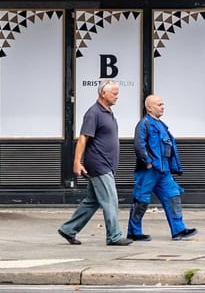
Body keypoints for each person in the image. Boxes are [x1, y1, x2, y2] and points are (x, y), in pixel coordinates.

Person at [58, 80, 129, 247]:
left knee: (92, 201)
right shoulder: (94, 113)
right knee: (111, 200)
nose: (117, 96)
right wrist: (77, 162)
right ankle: (114, 236)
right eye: (114, 93)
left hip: (106, 165)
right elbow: (83, 138)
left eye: (117, 93)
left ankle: (68, 229)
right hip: (99, 164)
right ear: (103, 93)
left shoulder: (107, 112)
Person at [129, 93, 197, 242]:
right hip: (149, 170)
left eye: (162, 104)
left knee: (173, 196)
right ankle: (134, 231)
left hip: (163, 171)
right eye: (159, 105)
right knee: (141, 200)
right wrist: (147, 162)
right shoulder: (144, 124)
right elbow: (139, 144)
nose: (162, 107)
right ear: (149, 108)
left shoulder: (162, 124)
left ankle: (178, 230)